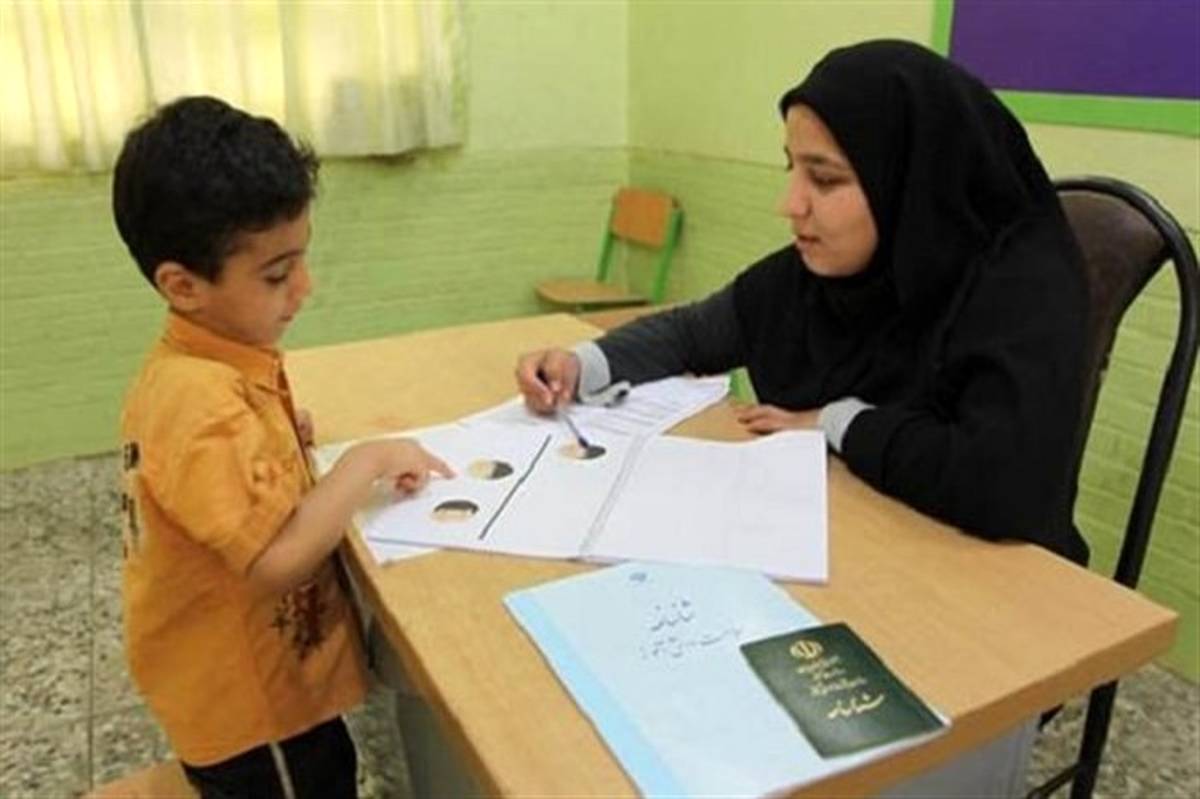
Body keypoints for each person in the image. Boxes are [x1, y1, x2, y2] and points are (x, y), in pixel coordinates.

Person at [516, 39, 1090, 568]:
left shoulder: (1025, 287)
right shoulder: (816, 274)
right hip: (846, 549)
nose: (789, 204)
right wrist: (581, 364)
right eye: (792, 168)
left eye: (826, 180)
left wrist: (836, 421)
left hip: (991, 581)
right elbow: (692, 333)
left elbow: (999, 485)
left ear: (909, 182)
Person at [113, 96, 452, 799]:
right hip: (250, 709)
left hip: (248, 690)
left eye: (302, 261)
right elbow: (272, 561)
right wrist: (365, 463)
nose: (305, 287)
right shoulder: (200, 401)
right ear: (182, 285)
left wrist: (277, 436)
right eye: (276, 274)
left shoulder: (205, 364)